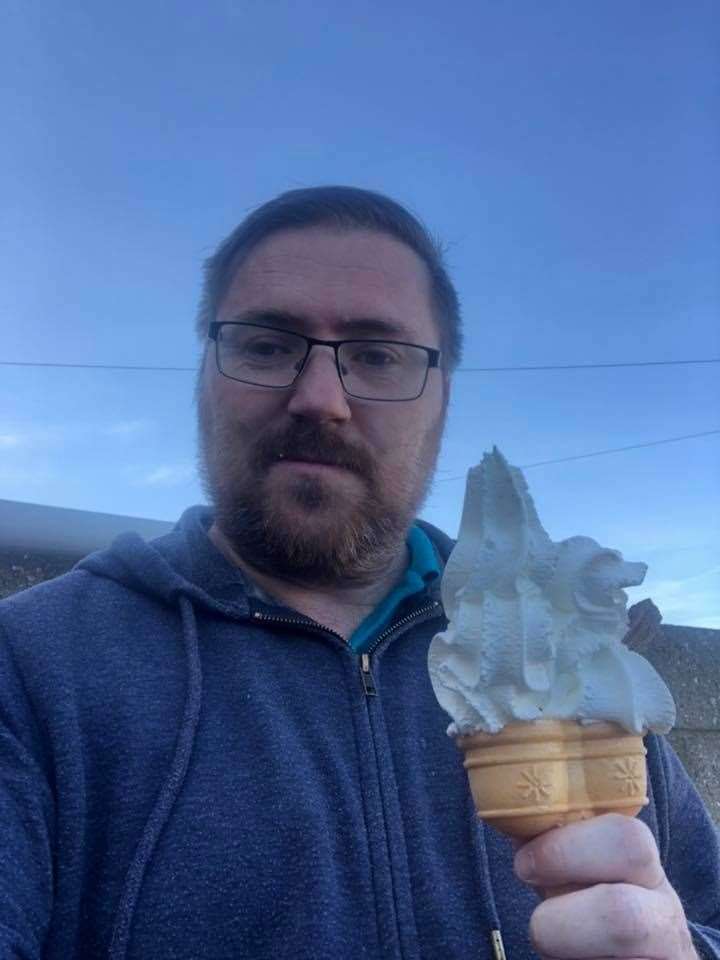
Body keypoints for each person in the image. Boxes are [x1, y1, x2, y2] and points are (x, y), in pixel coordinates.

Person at [0, 186, 718, 960]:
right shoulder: (30, 668)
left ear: (443, 397)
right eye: (267, 344)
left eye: (378, 355)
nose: (320, 399)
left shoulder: (566, 660)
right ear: (205, 369)